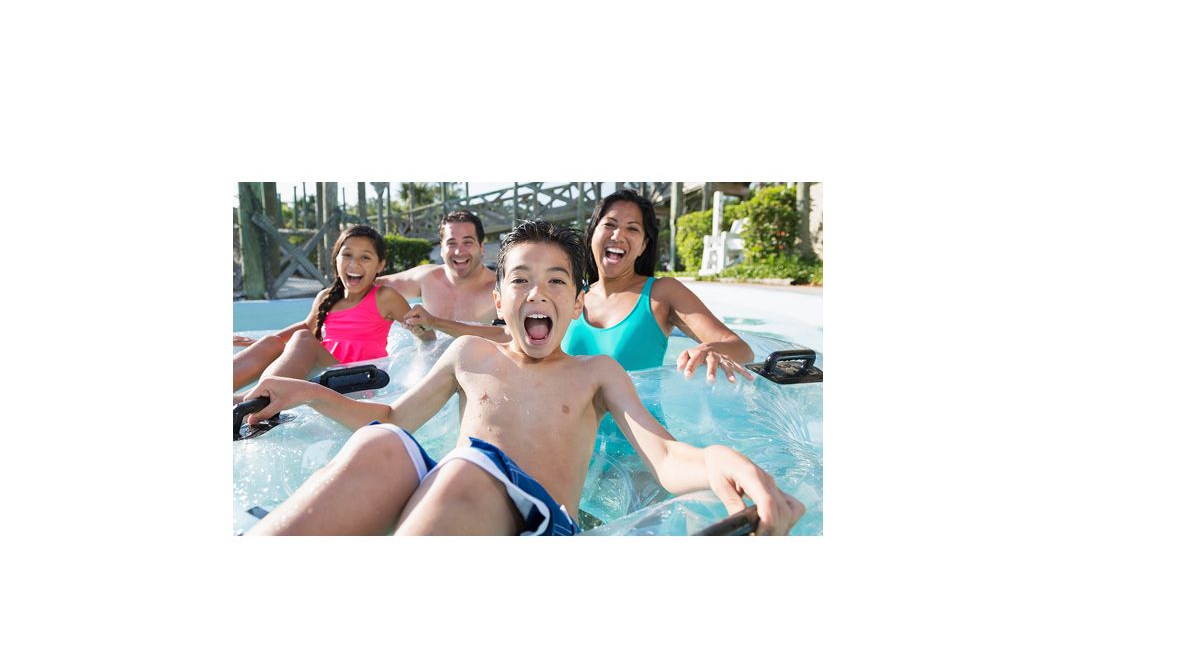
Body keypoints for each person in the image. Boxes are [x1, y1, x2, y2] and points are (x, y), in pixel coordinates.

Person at [240, 220, 804, 536]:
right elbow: (391, 415)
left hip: (538, 522)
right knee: (382, 446)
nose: (538, 293)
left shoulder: (594, 374)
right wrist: (302, 392)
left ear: (578, 303)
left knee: (462, 467)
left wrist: (719, 461)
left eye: (557, 281)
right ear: (498, 298)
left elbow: (664, 456)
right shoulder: (467, 354)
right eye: (521, 280)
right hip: (458, 499)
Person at [564, 188, 757, 383]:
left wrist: (708, 350)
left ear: (643, 246)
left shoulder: (662, 293)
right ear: (592, 234)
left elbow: (742, 349)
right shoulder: (572, 296)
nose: (617, 235)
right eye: (609, 224)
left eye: (632, 228)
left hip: (642, 415)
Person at [233, 225, 429, 394]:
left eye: (365, 257)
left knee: (302, 339)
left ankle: (253, 397)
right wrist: (261, 343)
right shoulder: (326, 297)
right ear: (336, 259)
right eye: (347, 255)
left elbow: (425, 333)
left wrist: (422, 347)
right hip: (325, 376)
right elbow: (307, 326)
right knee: (271, 342)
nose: (354, 263)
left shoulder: (384, 297)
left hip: (359, 381)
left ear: (380, 265)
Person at [377, 210, 500, 339]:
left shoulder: (499, 290)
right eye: (451, 243)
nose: (459, 251)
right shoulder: (426, 278)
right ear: (441, 248)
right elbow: (370, 285)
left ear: (481, 247)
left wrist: (434, 323)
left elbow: (507, 337)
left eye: (467, 242)